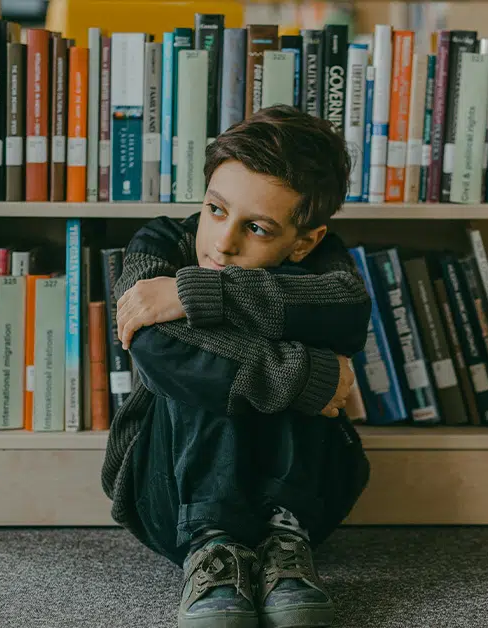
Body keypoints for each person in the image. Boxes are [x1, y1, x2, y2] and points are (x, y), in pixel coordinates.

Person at [99, 105, 372, 628]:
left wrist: (200, 291)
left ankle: (282, 541)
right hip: (168, 493)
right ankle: (214, 546)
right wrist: (309, 377)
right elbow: (157, 349)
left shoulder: (324, 259)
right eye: (216, 210)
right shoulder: (157, 244)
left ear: (305, 241)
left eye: (258, 228)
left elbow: (347, 310)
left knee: (251, 343)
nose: (223, 243)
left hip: (308, 492)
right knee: (206, 369)